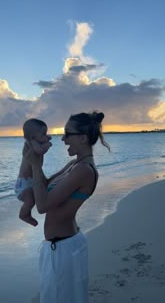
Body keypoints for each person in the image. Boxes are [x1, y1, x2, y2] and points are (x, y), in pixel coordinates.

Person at [22, 111, 110, 303]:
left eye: (67, 133)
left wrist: (35, 166)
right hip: (60, 246)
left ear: (83, 138)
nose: (62, 139)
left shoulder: (84, 171)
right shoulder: (74, 164)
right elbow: (43, 188)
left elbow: (42, 205)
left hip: (63, 249)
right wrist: (33, 160)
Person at [15, 118, 52, 226]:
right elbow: (39, 150)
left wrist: (45, 138)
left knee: (39, 195)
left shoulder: (35, 141)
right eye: (43, 134)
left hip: (31, 180)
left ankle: (27, 214)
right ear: (33, 137)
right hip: (24, 183)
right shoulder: (31, 143)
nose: (46, 136)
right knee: (30, 201)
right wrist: (47, 145)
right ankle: (23, 215)